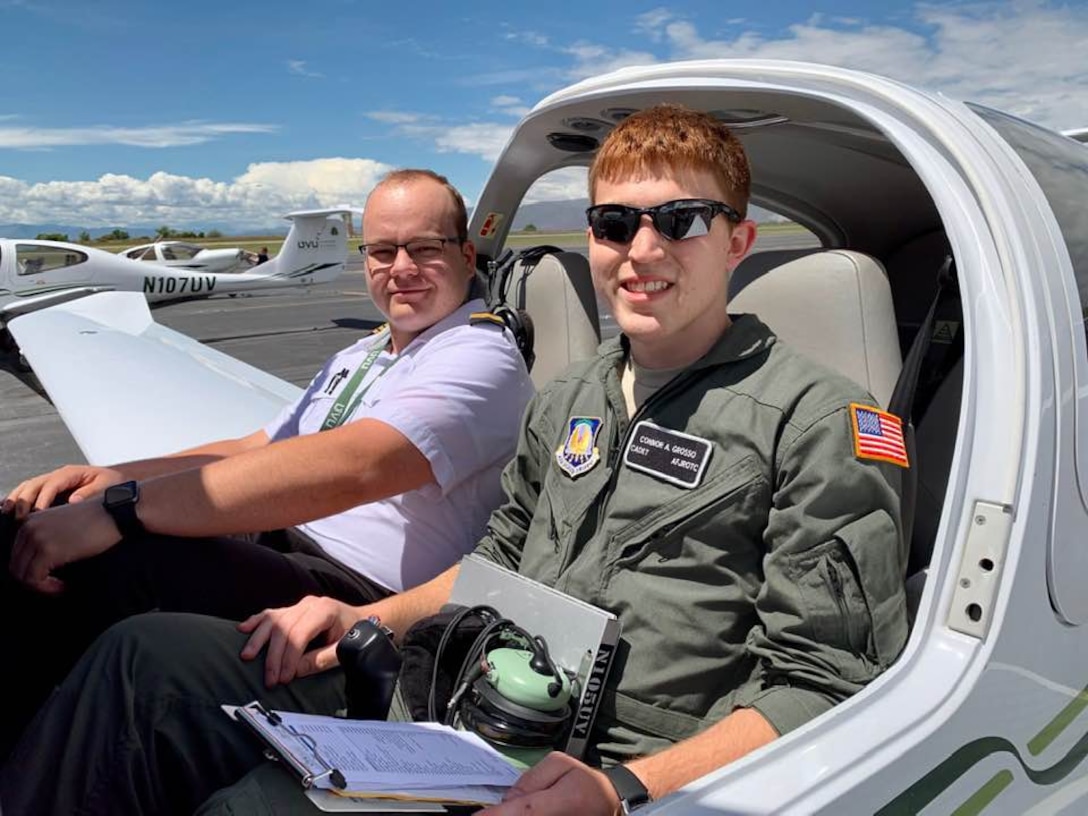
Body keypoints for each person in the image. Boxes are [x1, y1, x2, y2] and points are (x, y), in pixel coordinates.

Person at [1, 105, 910, 816]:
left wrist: (626, 789)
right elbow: (496, 568)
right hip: (465, 704)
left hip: (606, 760)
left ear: (738, 242)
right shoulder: (572, 397)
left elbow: (826, 683)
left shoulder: (824, 420)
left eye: (680, 220)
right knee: (142, 660)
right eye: (613, 222)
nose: (642, 251)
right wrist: (359, 619)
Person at [0, 168, 534, 760]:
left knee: (123, 560)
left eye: (424, 248)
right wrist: (119, 478)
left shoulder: (480, 356)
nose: (400, 267)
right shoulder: (366, 351)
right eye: (382, 250)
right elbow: (261, 445)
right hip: (287, 543)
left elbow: (359, 465)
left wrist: (121, 514)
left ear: (464, 254)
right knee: (30, 521)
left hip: (354, 585)